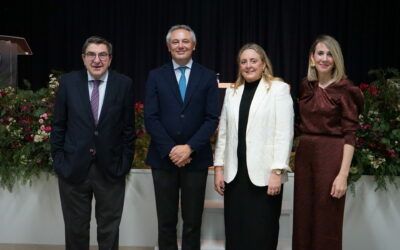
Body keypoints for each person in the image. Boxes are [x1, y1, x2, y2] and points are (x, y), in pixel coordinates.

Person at [50, 36, 135, 250]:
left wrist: (123, 164)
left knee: (109, 231)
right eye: (91, 54)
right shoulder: (69, 83)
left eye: (102, 55)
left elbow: (128, 130)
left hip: (111, 170)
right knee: (76, 231)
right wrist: (60, 162)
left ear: (110, 58)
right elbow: (59, 125)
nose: (97, 60)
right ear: (83, 58)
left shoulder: (123, 84)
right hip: (73, 169)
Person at [144, 24, 220, 250]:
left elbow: (211, 118)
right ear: (168, 47)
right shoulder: (155, 76)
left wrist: (188, 148)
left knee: (192, 221)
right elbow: (151, 117)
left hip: (196, 158)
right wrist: (172, 150)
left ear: (194, 45)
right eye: (175, 42)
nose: (180, 45)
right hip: (162, 158)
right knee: (166, 222)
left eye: (185, 41)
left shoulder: (207, 77)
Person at [213, 43, 294, 250]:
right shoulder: (233, 92)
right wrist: (219, 168)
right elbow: (224, 133)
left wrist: (277, 170)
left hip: (266, 176)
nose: (248, 65)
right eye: (243, 61)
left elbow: (284, 133)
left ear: (263, 64)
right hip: (235, 176)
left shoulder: (279, 89)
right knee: (236, 231)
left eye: (253, 61)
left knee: (262, 233)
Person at [292, 35, 364, 250]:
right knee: (303, 217)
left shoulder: (346, 89)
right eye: (320, 53)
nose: (324, 58)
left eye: (330, 54)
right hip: (305, 156)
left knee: (327, 219)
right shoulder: (306, 86)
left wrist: (342, 175)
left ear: (336, 59)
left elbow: (350, 134)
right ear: (312, 58)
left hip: (331, 156)